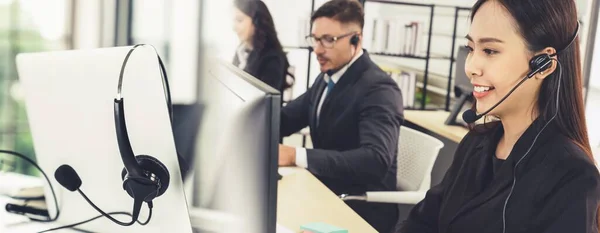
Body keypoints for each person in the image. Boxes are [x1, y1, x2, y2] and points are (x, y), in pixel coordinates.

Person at [398, 0, 600, 232]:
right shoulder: (476, 142)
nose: (471, 66)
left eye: (490, 51)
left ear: (543, 65)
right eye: (471, 49)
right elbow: (421, 223)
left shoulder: (572, 175)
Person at [277, 0, 404, 232]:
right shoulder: (327, 78)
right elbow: (285, 120)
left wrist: (296, 155)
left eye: (329, 40)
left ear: (356, 39)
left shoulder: (379, 89)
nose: (318, 49)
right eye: (315, 39)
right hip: (324, 191)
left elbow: (374, 159)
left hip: (358, 208)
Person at [231, 0, 292, 92]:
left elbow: (262, 102)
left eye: (239, 20)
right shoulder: (242, 50)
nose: (234, 27)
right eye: (234, 20)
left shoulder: (272, 57)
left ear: (256, 21)